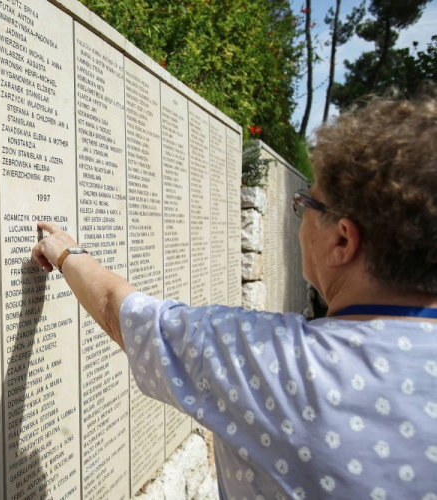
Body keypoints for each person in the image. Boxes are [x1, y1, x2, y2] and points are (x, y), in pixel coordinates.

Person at [32, 91, 437, 499]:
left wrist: (66, 253)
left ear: (343, 240)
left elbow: (121, 314)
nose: (300, 222)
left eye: (306, 204)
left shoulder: (270, 361)